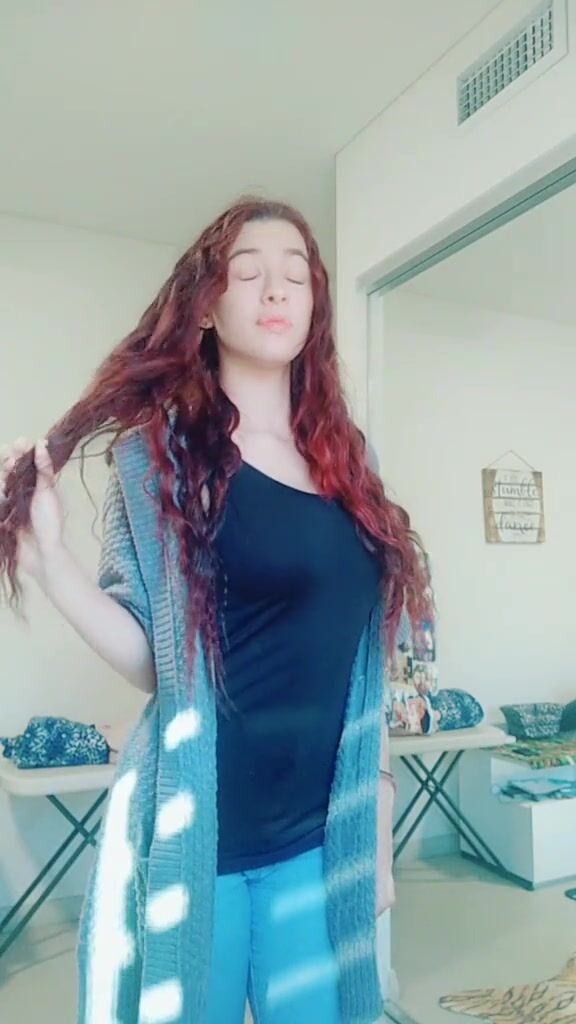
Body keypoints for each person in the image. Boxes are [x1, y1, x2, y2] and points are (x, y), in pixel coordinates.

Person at [0, 197, 432, 1024]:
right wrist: (51, 562)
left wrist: (375, 828)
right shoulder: (158, 458)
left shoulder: (352, 463)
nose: (276, 291)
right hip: (197, 836)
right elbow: (155, 659)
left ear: (314, 305)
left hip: (319, 842)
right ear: (206, 305)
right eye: (248, 273)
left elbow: (363, 667)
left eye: (296, 276)